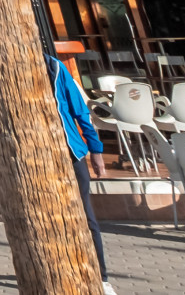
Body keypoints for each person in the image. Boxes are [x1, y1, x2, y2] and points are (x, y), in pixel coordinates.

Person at [49, 49, 116, 295]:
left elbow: (80, 111)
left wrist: (95, 149)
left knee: (87, 216)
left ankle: (101, 278)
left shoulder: (55, 67)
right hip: (39, 156)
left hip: (71, 152)